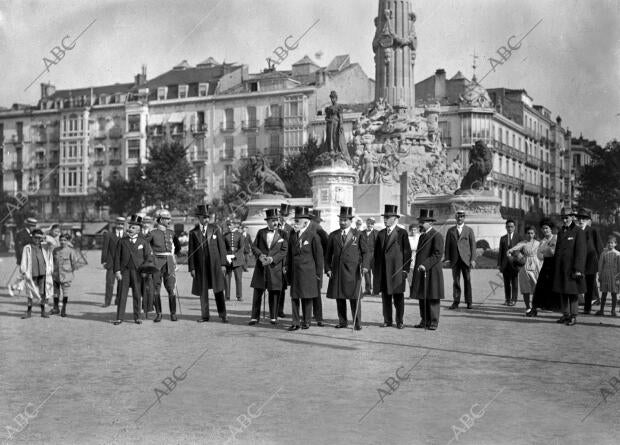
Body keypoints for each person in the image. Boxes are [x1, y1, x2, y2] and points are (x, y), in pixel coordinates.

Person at [325, 206, 369, 330]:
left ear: (351, 221)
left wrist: (365, 266)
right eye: (341, 220)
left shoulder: (358, 234)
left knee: (354, 297)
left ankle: (357, 323)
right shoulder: (333, 235)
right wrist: (327, 268)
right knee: (340, 297)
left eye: (345, 220)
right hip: (338, 271)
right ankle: (342, 321)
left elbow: (366, 252)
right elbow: (327, 254)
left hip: (353, 271)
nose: (342, 222)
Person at [188, 204, 229, 323]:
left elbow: (222, 248)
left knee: (218, 289)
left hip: (215, 265)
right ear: (199, 218)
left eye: (207, 217)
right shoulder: (193, 233)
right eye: (204, 217)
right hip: (201, 266)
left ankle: (223, 315)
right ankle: (205, 315)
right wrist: (192, 268)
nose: (206, 219)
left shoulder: (215, 228)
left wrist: (223, 264)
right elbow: (191, 252)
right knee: (203, 291)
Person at [373, 204, 412, 329]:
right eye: (384, 217)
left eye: (387, 217)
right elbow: (377, 254)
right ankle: (387, 320)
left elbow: (407, 253)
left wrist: (405, 270)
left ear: (395, 218)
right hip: (384, 271)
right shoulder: (380, 234)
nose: (385, 219)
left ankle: (399, 321)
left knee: (398, 298)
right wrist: (376, 270)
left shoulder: (402, 233)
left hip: (397, 271)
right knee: (386, 298)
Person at [286, 206, 323, 331]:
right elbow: (289, 255)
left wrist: (318, 274)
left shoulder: (313, 236)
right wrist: (288, 271)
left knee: (307, 298)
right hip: (295, 272)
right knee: (295, 297)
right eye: (294, 220)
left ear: (305, 222)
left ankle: (306, 321)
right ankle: (295, 322)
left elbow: (318, 257)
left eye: (297, 221)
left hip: (308, 273)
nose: (294, 223)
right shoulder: (292, 235)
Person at [249, 209, 288, 325]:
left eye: (276, 220)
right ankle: (254, 317)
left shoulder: (283, 234)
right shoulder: (261, 233)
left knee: (274, 293)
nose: (275, 223)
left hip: (275, 268)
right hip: (261, 267)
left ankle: (273, 317)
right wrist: (260, 255)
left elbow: (284, 251)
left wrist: (272, 259)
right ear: (268, 222)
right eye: (273, 220)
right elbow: (254, 247)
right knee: (257, 293)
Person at [113, 215, 153, 325]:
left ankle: (137, 317)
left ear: (139, 230)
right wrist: (117, 271)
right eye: (130, 227)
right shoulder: (122, 241)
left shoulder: (143, 242)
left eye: (133, 228)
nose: (130, 229)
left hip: (138, 272)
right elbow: (116, 257)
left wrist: (145, 270)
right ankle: (119, 317)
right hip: (124, 271)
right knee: (122, 295)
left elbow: (148, 258)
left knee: (137, 294)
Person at [411, 210, 444, 330]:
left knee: (433, 296)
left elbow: (437, 254)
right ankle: (424, 320)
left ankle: (434, 322)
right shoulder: (422, 236)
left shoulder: (437, 236)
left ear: (430, 223)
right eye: (420, 221)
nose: (420, 224)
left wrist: (425, 264)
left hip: (432, 271)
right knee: (422, 296)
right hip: (422, 271)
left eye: (423, 222)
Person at [553, 208, 586, 326]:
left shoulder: (578, 231)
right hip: (561, 268)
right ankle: (565, 314)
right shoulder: (561, 231)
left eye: (567, 217)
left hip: (572, 269)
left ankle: (573, 316)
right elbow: (557, 250)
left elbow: (581, 252)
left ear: (572, 217)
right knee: (563, 291)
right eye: (563, 218)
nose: (565, 220)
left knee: (573, 293)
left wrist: (578, 269)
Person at [148, 210, 181, 322]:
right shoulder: (152, 233)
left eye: (169, 219)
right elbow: (144, 246)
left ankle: (173, 313)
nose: (169, 221)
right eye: (167, 219)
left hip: (169, 263)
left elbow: (178, 247)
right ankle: (159, 314)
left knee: (171, 289)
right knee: (156, 290)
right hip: (156, 263)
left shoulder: (172, 233)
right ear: (161, 219)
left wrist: (175, 257)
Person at [444, 210, 476, 310]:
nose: (460, 218)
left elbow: (473, 246)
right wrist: (447, 258)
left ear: (464, 218)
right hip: (455, 260)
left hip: (466, 259)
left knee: (467, 280)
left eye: (462, 216)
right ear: (455, 217)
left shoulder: (469, 230)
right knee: (456, 281)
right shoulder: (451, 231)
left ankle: (469, 301)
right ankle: (456, 301)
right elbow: (447, 246)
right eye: (458, 216)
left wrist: (473, 259)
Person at [19, 229, 53, 319]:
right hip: (31, 273)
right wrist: (23, 271)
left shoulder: (45, 246)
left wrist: (45, 237)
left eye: (39, 238)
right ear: (32, 237)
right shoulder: (27, 247)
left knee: (42, 293)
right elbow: (23, 261)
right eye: (35, 237)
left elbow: (54, 243)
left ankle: (43, 311)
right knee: (30, 294)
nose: (37, 239)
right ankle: (29, 311)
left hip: (43, 273)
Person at [507, 226, 541, 315]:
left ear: (535, 234)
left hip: (536, 265)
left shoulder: (538, 243)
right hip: (525, 265)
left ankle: (534, 307)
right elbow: (511, 250)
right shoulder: (523, 243)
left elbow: (544, 253)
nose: (530, 235)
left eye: (532, 233)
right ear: (526, 234)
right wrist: (515, 256)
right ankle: (527, 307)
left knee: (536, 287)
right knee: (525, 287)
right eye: (528, 233)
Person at [576, 208, 603, 314]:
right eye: (579, 219)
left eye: (583, 219)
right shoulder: (575, 231)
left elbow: (599, 247)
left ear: (587, 220)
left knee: (589, 285)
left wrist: (601, 263)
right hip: (578, 262)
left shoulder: (593, 230)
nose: (581, 221)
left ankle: (587, 308)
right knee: (576, 284)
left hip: (591, 262)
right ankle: (573, 306)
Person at [531, 219, 560, 316]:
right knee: (540, 285)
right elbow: (539, 256)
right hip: (546, 265)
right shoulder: (542, 241)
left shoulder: (556, 238)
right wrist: (548, 251)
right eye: (543, 229)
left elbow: (554, 252)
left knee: (555, 285)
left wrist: (546, 251)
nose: (545, 230)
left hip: (555, 265)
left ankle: (556, 306)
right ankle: (535, 307)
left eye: (547, 228)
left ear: (551, 229)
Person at [51, 233, 78, 317]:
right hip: (56, 275)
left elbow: (74, 264)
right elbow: (52, 261)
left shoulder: (71, 251)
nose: (62, 242)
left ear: (68, 241)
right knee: (56, 292)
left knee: (65, 292)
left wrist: (69, 270)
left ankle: (64, 309)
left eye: (65, 240)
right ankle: (56, 308)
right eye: (61, 240)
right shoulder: (55, 250)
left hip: (66, 275)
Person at [101, 217, 125, 307]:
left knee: (121, 283)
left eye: (122, 224)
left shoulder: (127, 235)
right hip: (111, 263)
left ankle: (118, 301)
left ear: (124, 225)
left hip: (123, 263)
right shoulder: (109, 235)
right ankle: (107, 302)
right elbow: (105, 248)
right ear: (115, 224)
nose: (120, 225)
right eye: (118, 223)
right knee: (109, 283)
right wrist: (104, 260)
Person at [309, 210, 328, 327]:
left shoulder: (317, 228)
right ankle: (316, 315)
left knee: (314, 290)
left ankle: (317, 316)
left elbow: (326, 243)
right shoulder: (314, 226)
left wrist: (322, 257)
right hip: (315, 262)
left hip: (316, 262)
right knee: (314, 290)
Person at [497, 219, 522, 306]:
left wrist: (520, 262)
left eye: (511, 226)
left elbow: (522, 250)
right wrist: (499, 264)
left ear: (514, 227)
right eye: (508, 227)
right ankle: (507, 299)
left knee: (514, 282)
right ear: (506, 227)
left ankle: (514, 299)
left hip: (514, 264)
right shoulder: (503, 238)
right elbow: (500, 252)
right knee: (506, 283)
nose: (510, 228)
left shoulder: (518, 237)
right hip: (505, 264)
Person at [596, 235, 620, 316]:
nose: (610, 244)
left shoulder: (618, 254)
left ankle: (613, 311)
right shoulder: (604, 253)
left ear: (615, 244)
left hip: (614, 276)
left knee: (614, 293)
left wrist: (618, 277)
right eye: (609, 243)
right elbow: (600, 265)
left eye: (612, 243)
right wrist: (600, 275)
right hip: (605, 274)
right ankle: (601, 310)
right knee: (604, 293)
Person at [277, 203, 294, 318]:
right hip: (273, 260)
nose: (284, 217)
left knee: (282, 287)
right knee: (273, 287)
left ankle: (280, 310)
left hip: (284, 262)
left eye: (286, 215)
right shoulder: (274, 226)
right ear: (279, 214)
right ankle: (273, 309)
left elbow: (291, 248)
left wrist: (287, 264)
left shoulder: (290, 229)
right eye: (282, 215)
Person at [223, 219, 245, 301]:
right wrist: (227, 256)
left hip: (237, 259)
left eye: (230, 225)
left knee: (238, 278)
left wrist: (234, 255)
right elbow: (223, 248)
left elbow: (242, 248)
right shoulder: (225, 235)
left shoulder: (240, 235)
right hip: (228, 260)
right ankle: (227, 296)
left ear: (235, 225)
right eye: (228, 225)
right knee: (227, 278)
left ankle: (239, 296)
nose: (229, 226)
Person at [140, 215, 154, 317]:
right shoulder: (139, 233)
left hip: (151, 262)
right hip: (140, 262)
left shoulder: (153, 233)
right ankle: (144, 306)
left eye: (148, 222)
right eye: (144, 222)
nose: (146, 224)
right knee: (141, 286)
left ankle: (148, 307)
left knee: (149, 286)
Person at [361, 217, 378, 296]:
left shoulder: (377, 233)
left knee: (375, 274)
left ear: (373, 224)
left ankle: (375, 290)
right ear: (366, 224)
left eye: (371, 223)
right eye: (368, 223)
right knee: (366, 273)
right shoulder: (361, 233)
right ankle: (367, 289)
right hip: (365, 256)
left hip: (374, 256)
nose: (370, 225)